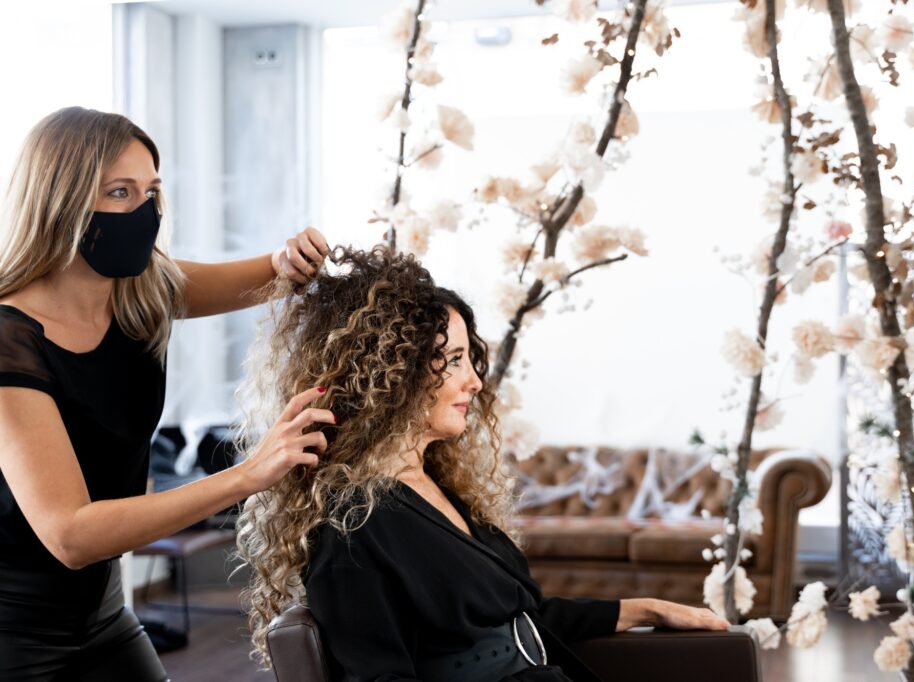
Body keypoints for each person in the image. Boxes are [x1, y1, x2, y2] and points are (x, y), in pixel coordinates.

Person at [236, 246, 729, 682]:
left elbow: (519, 619)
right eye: (451, 360)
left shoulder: (431, 484)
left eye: (470, 358)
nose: (474, 381)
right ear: (388, 375)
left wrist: (647, 609)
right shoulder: (352, 527)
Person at [0, 107, 335, 681]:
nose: (146, 210)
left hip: (102, 612)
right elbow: (71, 534)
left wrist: (290, 261)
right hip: (14, 630)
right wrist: (248, 475)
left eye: (153, 190)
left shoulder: (138, 294)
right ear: (62, 201)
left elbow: (264, 275)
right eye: (120, 192)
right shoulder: (10, 341)